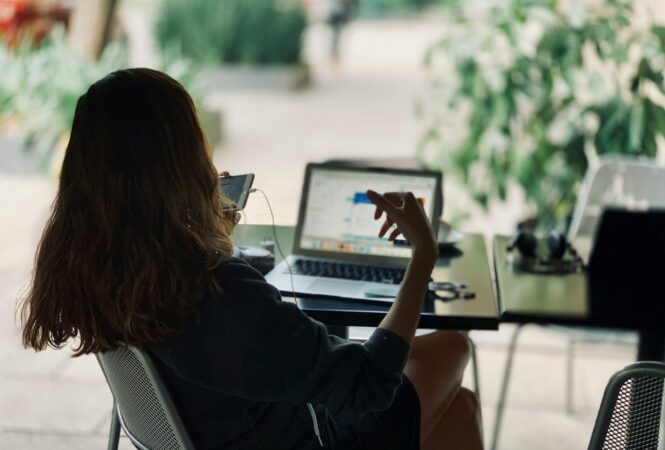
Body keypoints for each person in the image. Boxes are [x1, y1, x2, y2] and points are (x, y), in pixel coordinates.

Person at [21, 68, 483, 450]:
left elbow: (223, 345)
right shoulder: (216, 293)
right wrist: (422, 256)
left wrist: (210, 239)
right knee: (454, 347)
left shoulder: (99, 269)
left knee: (459, 410)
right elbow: (367, 388)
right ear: (180, 163)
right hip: (304, 439)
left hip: (231, 427)